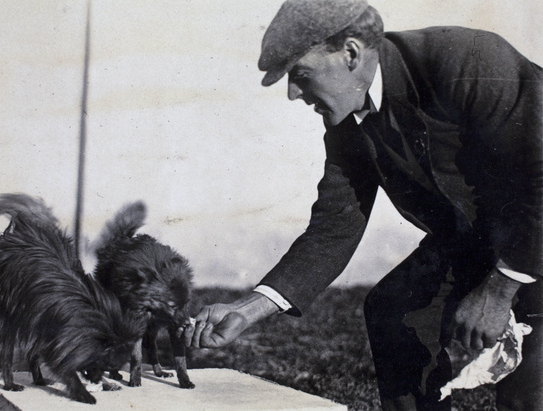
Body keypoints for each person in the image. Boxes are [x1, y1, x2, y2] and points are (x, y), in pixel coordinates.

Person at [182, 0, 543, 409]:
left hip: (535, 233)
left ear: (350, 53)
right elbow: (336, 223)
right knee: (396, 310)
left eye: (300, 75)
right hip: (481, 239)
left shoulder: (468, 59)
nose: (292, 94)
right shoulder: (347, 115)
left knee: (529, 395)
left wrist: (500, 289)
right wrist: (248, 310)